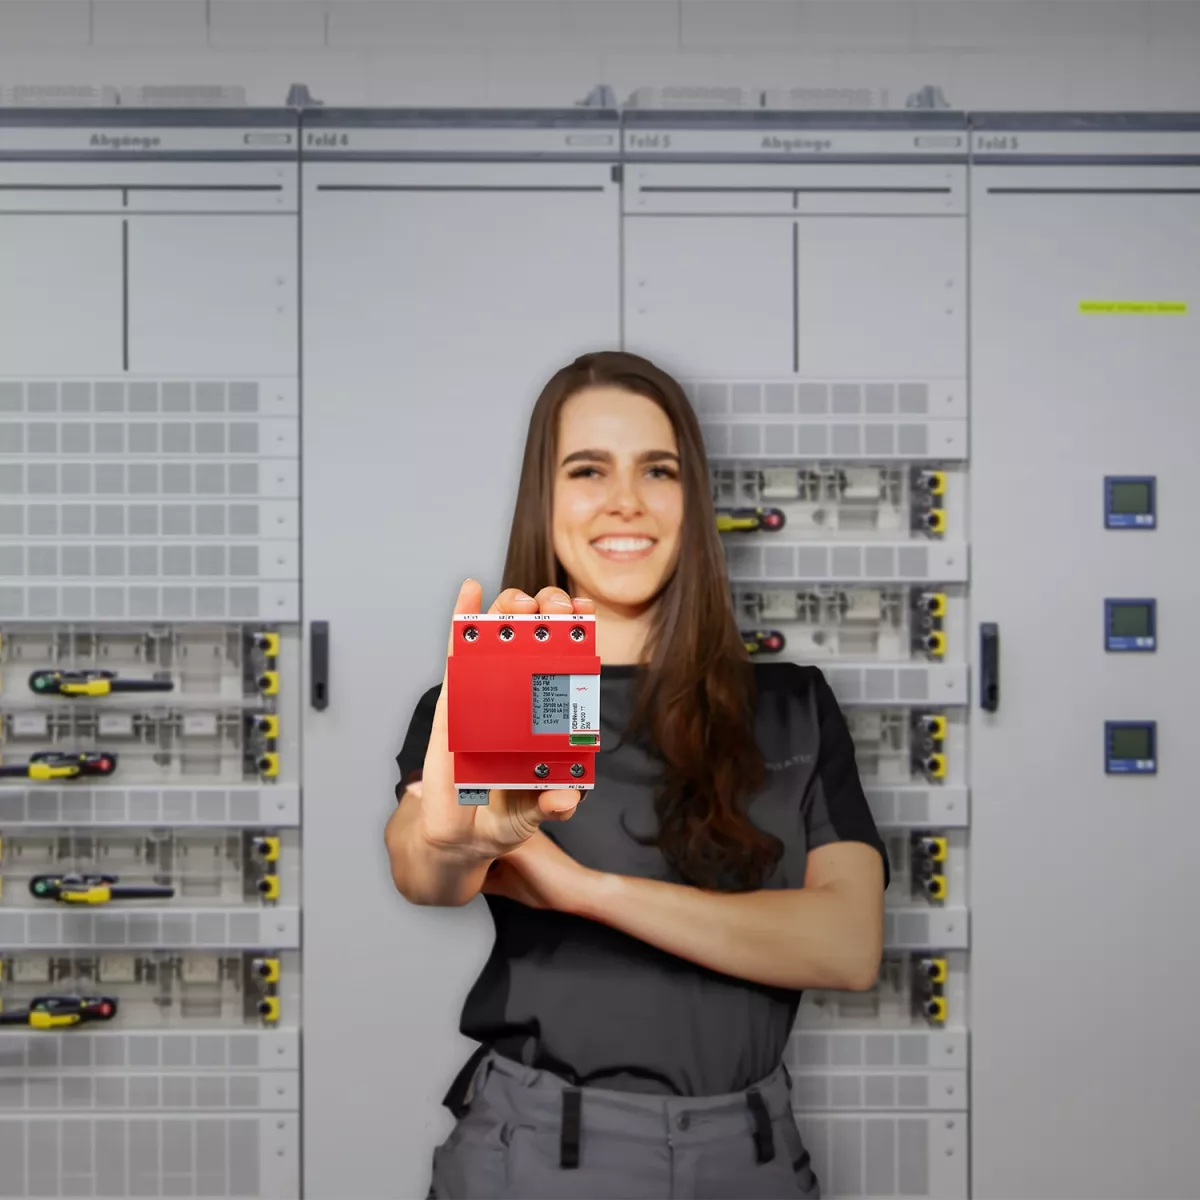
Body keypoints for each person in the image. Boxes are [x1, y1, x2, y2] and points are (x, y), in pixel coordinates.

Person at [385, 350, 890, 1200]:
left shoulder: (788, 706)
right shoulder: (513, 693)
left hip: (753, 1158)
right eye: (588, 470)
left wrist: (584, 890)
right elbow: (426, 867)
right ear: (544, 502)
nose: (625, 500)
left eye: (657, 470)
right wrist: (452, 840)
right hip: (544, 1154)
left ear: (692, 499)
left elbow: (848, 947)